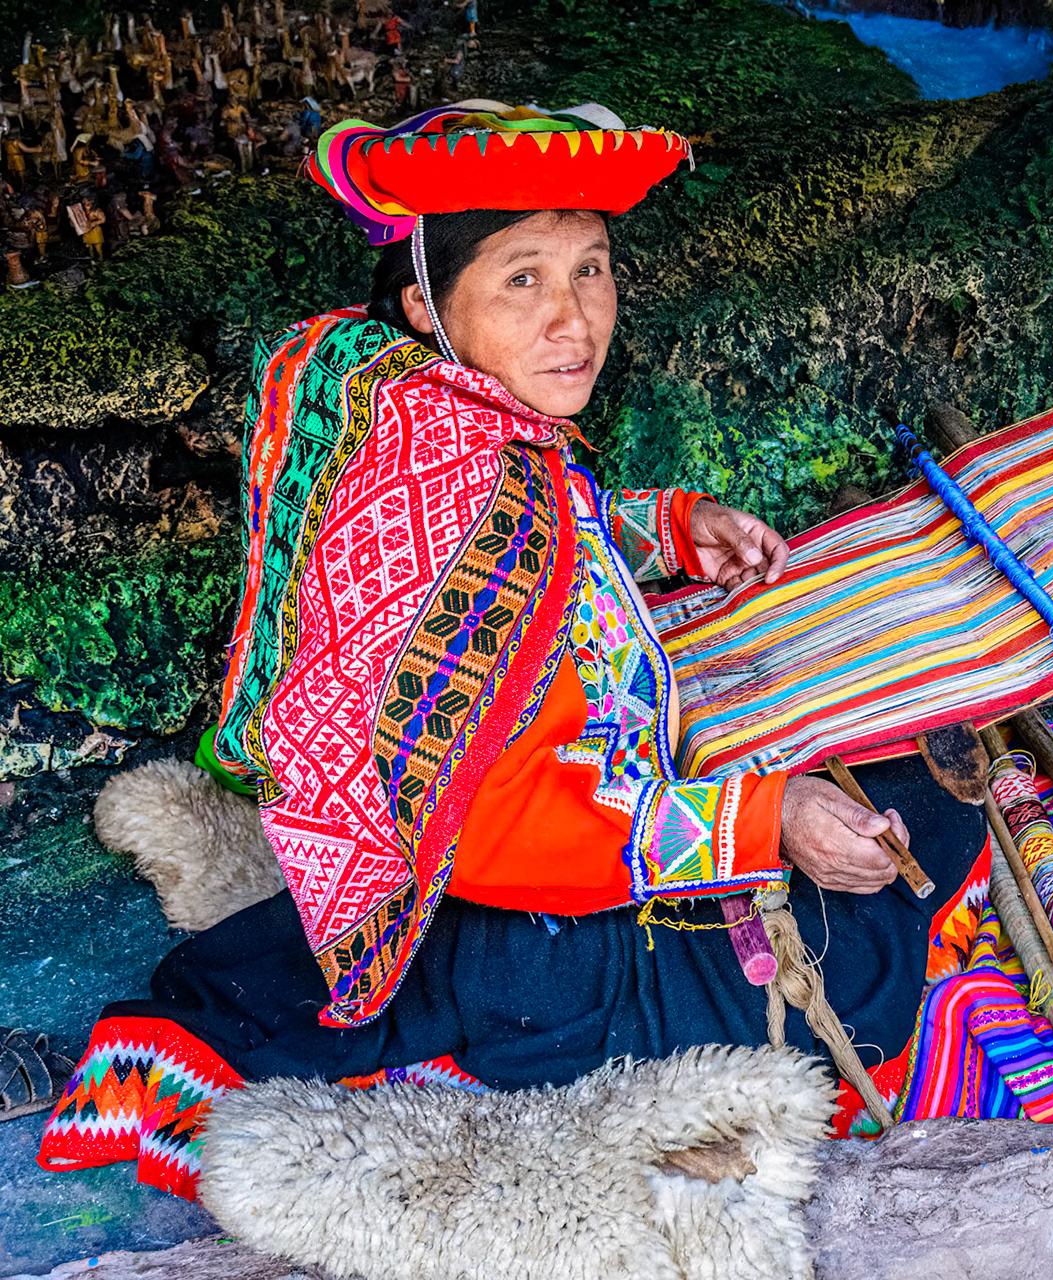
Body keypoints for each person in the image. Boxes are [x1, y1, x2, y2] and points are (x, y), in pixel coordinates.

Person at [39, 102, 985, 1193]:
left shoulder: (420, 409)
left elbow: (553, 545)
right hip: (514, 914)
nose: (573, 318)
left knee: (900, 782)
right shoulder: (465, 496)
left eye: (591, 270)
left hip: (464, 854)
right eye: (522, 279)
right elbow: (498, 823)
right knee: (894, 882)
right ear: (428, 305)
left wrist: (671, 528)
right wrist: (765, 819)